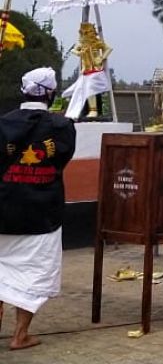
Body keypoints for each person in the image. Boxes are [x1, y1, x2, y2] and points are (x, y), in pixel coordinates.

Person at [0, 68, 76, 351]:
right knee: (34, 274)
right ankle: (20, 335)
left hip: (3, 208)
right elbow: (61, 161)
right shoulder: (63, 127)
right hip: (42, 214)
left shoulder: (2, 124)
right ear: (51, 94)